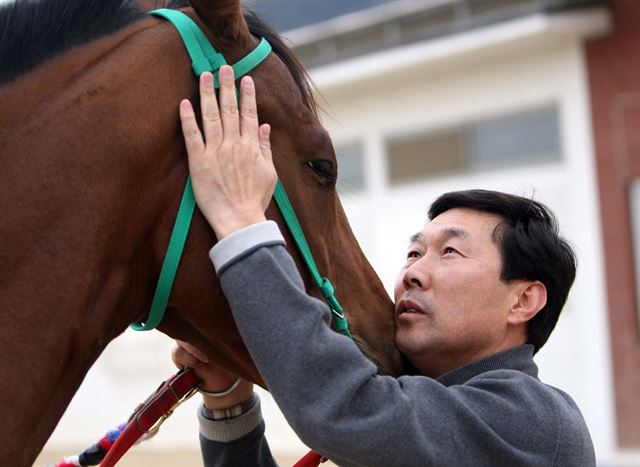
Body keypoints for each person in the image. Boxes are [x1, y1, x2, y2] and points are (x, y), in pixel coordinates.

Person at [172, 65, 596, 466]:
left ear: (523, 300)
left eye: (450, 253)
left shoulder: (536, 422)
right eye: (414, 253)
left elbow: (346, 410)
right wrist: (229, 402)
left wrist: (243, 223)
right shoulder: (419, 419)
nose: (412, 273)